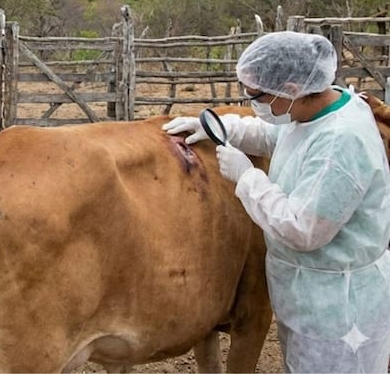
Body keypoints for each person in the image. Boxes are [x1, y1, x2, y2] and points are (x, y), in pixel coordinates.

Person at [162, 31, 390, 373]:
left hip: (339, 308)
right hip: (311, 293)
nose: (253, 102)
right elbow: (275, 134)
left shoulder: (340, 144)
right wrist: (221, 128)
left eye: (257, 95)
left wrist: (247, 177)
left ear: (292, 89)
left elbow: (303, 229)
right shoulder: (319, 108)